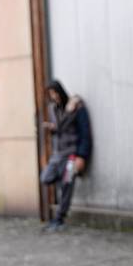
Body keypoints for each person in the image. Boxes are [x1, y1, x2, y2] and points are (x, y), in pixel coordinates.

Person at [40, 79, 92, 231]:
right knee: (45, 177)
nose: (54, 96)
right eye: (51, 94)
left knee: (67, 186)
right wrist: (51, 129)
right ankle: (58, 217)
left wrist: (81, 156)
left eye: (55, 93)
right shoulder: (53, 108)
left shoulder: (77, 107)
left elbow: (85, 134)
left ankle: (59, 219)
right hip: (58, 155)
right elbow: (60, 128)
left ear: (60, 91)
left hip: (72, 156)